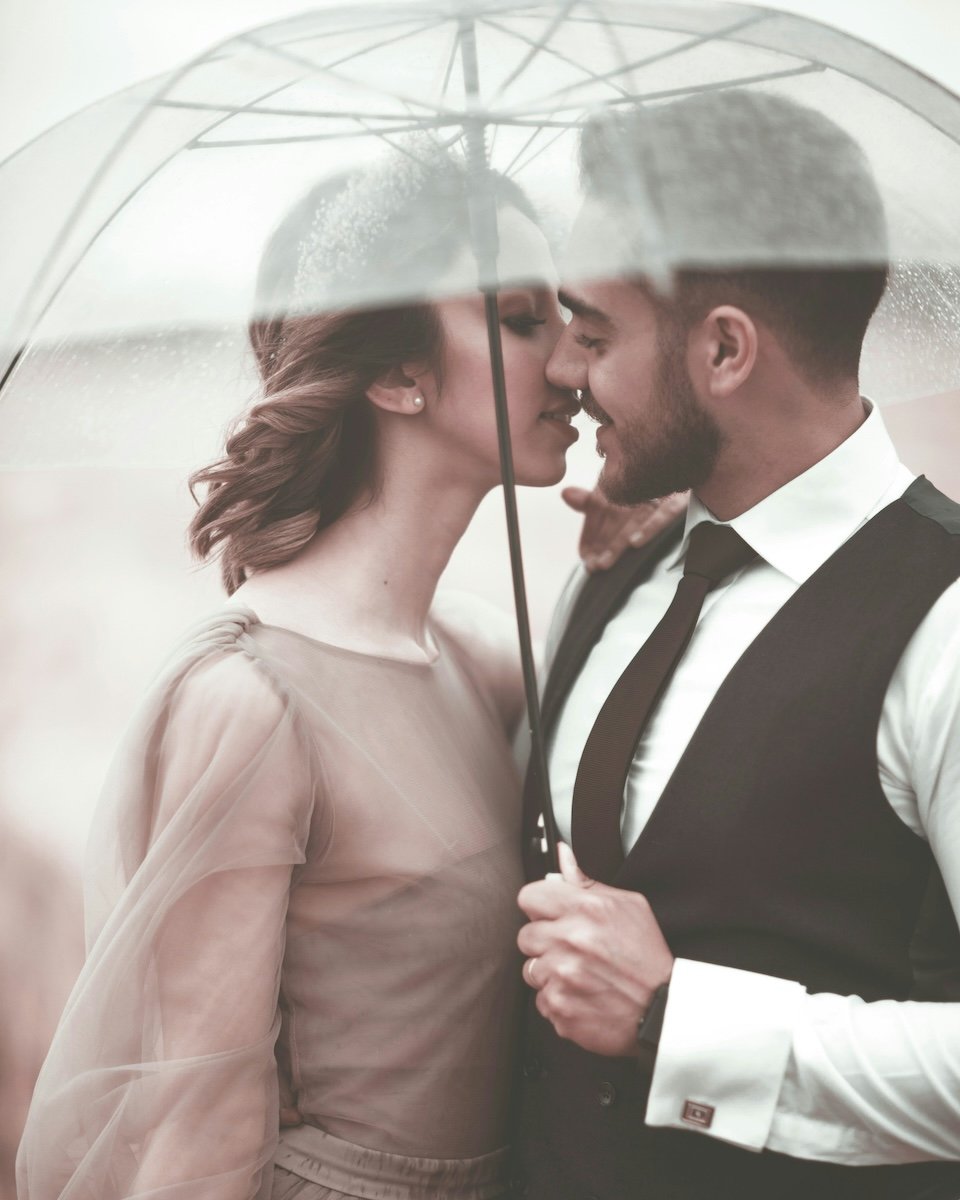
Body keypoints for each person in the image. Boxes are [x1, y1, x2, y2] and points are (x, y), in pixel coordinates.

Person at [15, 139, 677, 1200]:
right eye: (516, 320)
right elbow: (199, 1132)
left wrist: (661, 542)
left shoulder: (480, 658)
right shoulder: (251, 703)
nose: (572, 360)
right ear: (397, 375)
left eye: (563, 315)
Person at [515, 90, 960, 1199]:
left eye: (596, 331)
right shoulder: (617, 573)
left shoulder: (945, 621)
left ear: (723, 350)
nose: (566, 372)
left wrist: (678, 1020)